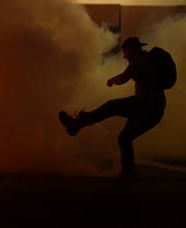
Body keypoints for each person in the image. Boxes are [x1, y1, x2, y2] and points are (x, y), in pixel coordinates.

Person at [59, 37, 167, 178]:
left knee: (123, 135)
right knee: (117, 120)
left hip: (148, 109)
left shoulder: (139, 62)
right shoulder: (144, 60)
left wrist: (111, 81)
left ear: (132, 49)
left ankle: (128, 173)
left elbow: (123, 78)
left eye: (125, 52)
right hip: (144, 105)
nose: (124, 55)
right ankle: (77, 124)